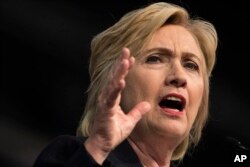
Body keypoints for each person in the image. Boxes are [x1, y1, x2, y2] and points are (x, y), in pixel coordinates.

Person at [33, 2, 218, 167]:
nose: (179, 76)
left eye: (191, 65)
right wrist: (97, 147)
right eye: (155, 59)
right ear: (115, 82)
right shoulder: (75, 155)